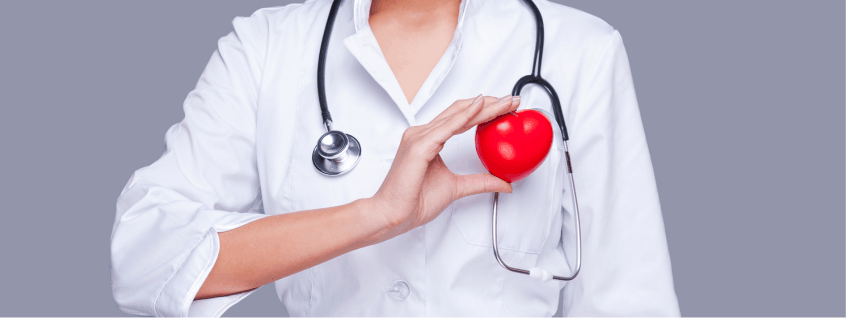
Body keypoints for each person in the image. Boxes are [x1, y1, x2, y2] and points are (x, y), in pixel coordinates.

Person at [110, 0, 680, 316]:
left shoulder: (578, 49)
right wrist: (375, 215)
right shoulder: (265, 48)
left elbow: (630, 300)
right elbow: (146, 258)